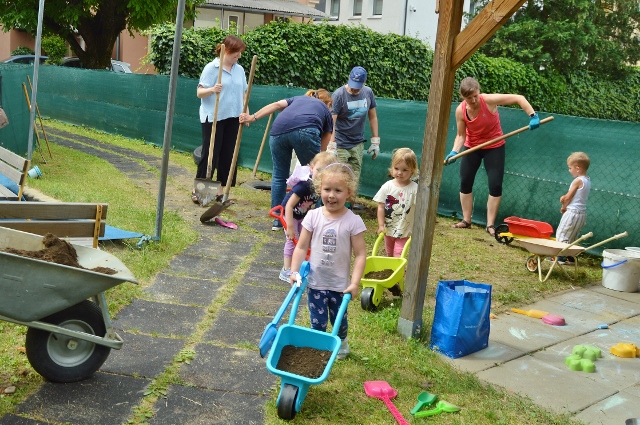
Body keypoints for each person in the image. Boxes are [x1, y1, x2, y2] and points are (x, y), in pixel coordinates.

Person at [289, 162, 367, 360]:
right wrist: (294, 271)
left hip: (340, 286)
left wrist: (355, 283)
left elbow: (360, 254)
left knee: (340, 322)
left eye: (338, 191)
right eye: (327, 189)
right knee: (317, 322)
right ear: (319, 190)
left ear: (348, 193)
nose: (331, 195)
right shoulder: (313, 216)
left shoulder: (353, 221)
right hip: (316, 282)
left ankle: (341, 343)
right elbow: (301, 247)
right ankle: (319, 348)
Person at [444, 76, 540, 236]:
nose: (473, 100)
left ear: (479, 92)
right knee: (465, 181)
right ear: (463, 97)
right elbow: (461, 135)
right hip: (472, 147)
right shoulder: (460, 110)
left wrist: (532, 115)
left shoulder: (488, 100)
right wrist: (455, 151)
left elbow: (519, 98)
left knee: (495, 185)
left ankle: (490, 225)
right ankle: (466, 221)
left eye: (475, 96)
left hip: (494, 146)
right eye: (469, 98)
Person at [239, 89, 333, 230]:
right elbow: (323, 150)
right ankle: (320, 219)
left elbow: (276, 105)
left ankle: (278, 220)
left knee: (279, 175)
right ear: (328, 103)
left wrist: (252, 117)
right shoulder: (325, 110)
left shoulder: (297, 99)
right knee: (318, 175)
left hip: (278, 130)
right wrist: (318, 163)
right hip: (306, 130)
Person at [193, 35, 248, 204]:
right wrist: (212, 89)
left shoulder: (239, 70)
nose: (239, 55)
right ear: (227, 50)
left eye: (240, 52)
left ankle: (220, 192)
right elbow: (199, 93)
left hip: (233, 117)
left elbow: (243, 94)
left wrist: (246, 112)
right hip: (214, 117)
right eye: (236, 52)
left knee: (228, 155)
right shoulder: (212, 68)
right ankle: (199, 192)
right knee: (211, 153)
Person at [278, 151, 336, 282]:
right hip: (290, 214)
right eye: (318, 170)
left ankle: (300, 266)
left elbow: (313, 204)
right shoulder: (305, 185)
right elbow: (288, 206)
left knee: (304, 241)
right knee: (292, 241)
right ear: (312, 168)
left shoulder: (322, 188)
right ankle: (286, 270)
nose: (320, 174)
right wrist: (290, 227)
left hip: (301, 214)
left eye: (325, 172)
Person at [329, 66, 380, 203]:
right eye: (353, 85)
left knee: (354, 178)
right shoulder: (339, 95)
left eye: (358, 86)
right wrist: (332, 145)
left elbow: (373, 117)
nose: (354, 89)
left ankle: (349, 208)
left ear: (364, 82)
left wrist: (375, 141)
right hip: (340, 143)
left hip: (357, 143)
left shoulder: (368, 92)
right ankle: (335, 206)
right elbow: (331, 121)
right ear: (348, 78)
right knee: (338, 177)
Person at [556, 152, 591, 265]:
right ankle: (571, 258)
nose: (569, 170)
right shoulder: (587, 180)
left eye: (570, 168)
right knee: (573, 236)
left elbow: (568, 197)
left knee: (562, 234)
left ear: (577, 168)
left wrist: (563, 205)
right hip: (582, 214)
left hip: (572, 213)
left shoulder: (578, 181)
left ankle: (560, 257)